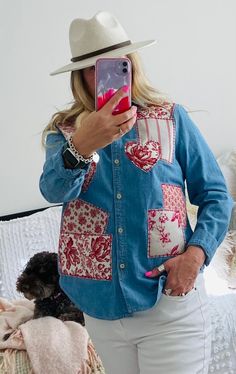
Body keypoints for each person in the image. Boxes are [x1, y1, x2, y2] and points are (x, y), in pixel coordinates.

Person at [39, 10, 233, 374]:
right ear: (80, 76)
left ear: (130, 64)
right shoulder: (65, 133)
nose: (102, 74)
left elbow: (217, 196)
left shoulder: (171, 118)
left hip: (169, 301)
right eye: (91, 67)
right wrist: (82, 144)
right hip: (100, 308)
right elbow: (53, 190)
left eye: (113, 63)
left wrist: (196, 256)